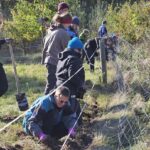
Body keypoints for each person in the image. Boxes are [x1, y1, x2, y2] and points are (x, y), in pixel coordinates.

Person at [56, 37, 86, 124]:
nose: (81, 52)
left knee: (71, 106)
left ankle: (79, 123)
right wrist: (81, 84)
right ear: (76, 49)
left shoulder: (63, 57)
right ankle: (72, 127)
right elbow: (72, 76)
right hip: (69, 88)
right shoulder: (74, 59)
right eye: (80, 50)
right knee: (71, 109)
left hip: (60, 85)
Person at [41, 12, 72, 95]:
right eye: (69, 23)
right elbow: (67, 49)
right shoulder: (63, 33)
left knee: (52, 84)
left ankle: (53, 103)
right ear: (67, 22)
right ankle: (43, 104)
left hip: (49, 60)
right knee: (52, 86)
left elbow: (45, 47)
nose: (70, 25)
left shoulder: (52, 31)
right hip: (55, 62)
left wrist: (43, 60)